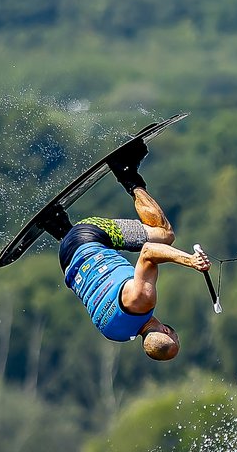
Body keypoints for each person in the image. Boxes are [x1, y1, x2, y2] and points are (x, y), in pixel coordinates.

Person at [57, 149, 209, 361]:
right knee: (100, 268)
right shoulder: (116, 334)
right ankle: (58, 224)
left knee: (165, 235)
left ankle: (125, 172)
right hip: (66, 257)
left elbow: (148, 251)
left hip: (88, 235)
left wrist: (191, 261)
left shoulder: (143, 300)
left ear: (166, 331)